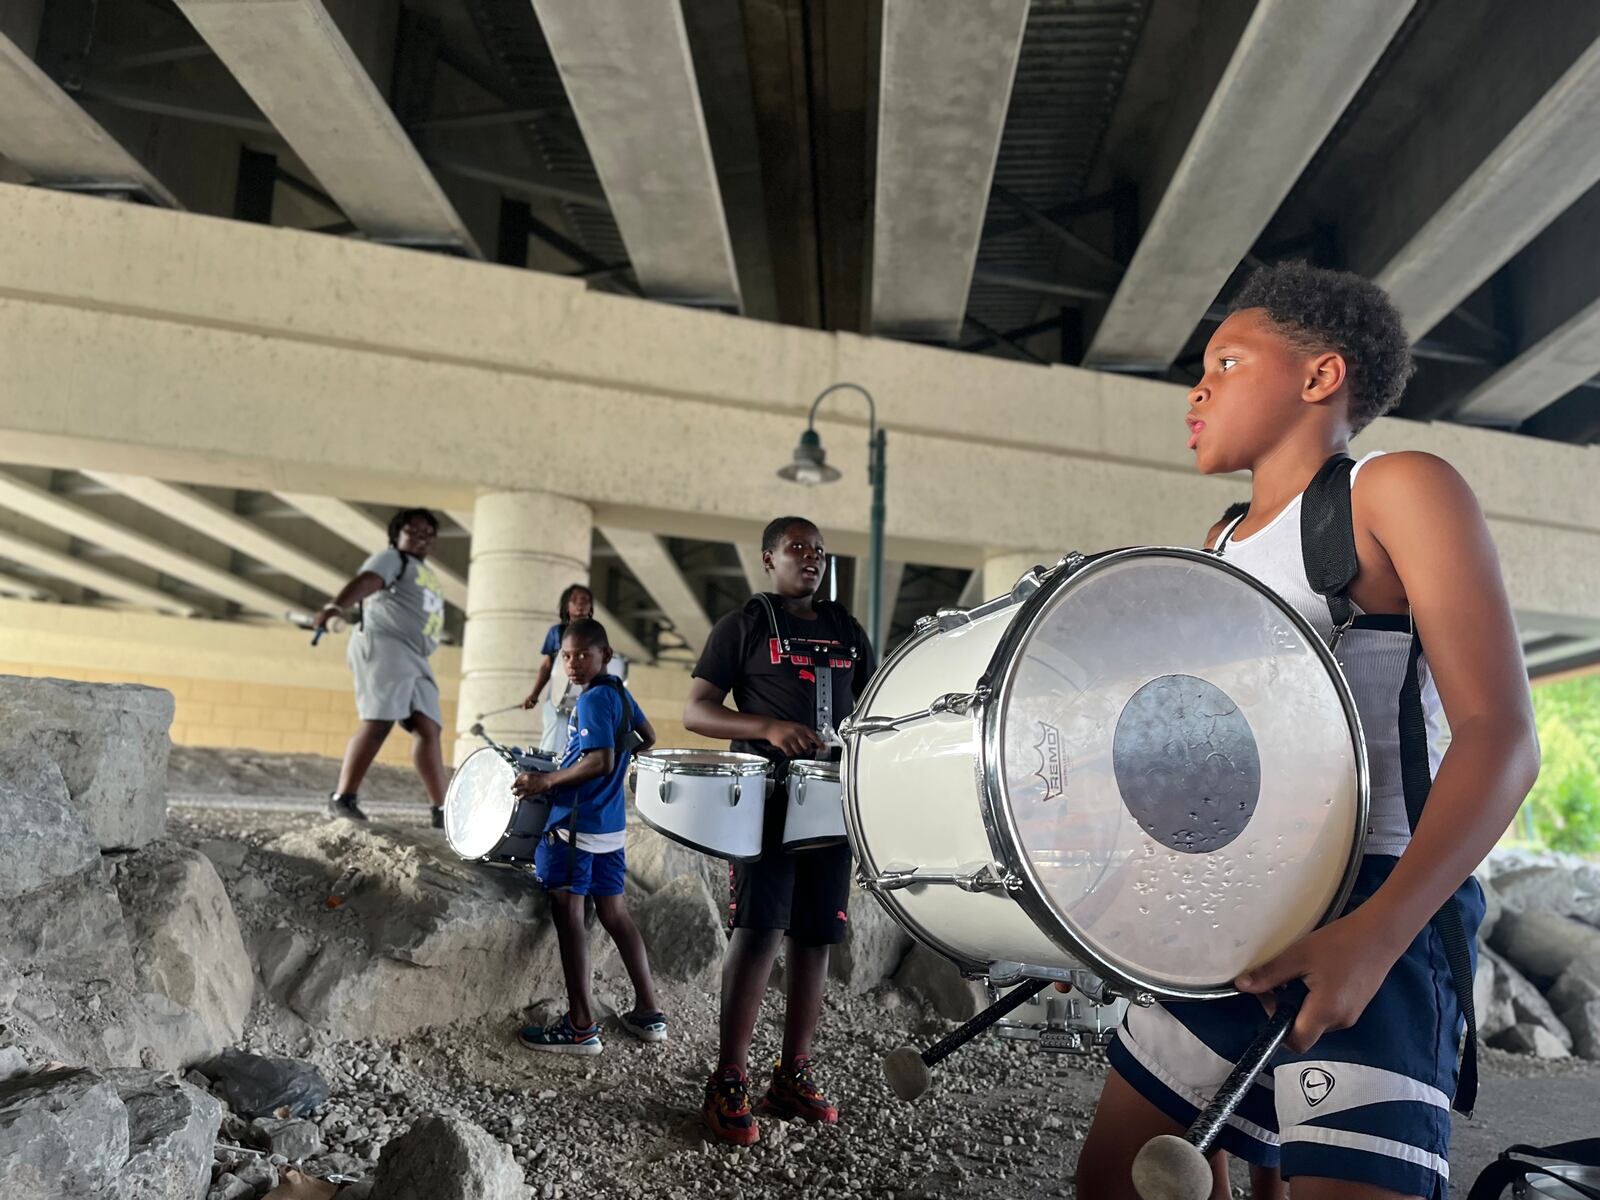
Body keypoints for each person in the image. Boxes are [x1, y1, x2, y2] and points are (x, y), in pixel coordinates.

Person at [1075, 262, 1540, 1200]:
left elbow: (1502, 735)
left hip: (1381, 895)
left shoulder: (1396, 489)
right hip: (1234, 899)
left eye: (1226, 362)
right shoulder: (1218, 540)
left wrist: (1373, 938)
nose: (1196, 389)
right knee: (1114, 1181)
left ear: (1319, 377)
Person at [683, 516, 876, 1145]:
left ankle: (792, 1073)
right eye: (797, 548)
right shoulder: (743, 626)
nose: (810, 558)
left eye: (818, 551)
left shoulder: (848, 630)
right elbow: (697, 710)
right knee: (760, 928)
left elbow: (874, 705)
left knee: (815, 938)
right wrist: (766, 728)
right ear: (769, 559)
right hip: (765, 800)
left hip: (832, 799)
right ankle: (728, 1078)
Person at [512, 617, 666, 1054]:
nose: (573, 664)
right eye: (566, 656)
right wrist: (618, 762)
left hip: (575, 827)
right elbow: (647, 737)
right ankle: (648, 1013)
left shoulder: (594, 700)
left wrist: (546, 782)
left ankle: (580, 1026)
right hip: (609, 826)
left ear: (605, 655)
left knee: (570, 919)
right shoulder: (618, 690)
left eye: (583, 654)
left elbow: (598, 761)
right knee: (615, 915)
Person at [312, 508, 451, 826]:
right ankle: (343, 797)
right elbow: (368, 581)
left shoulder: (425, 572)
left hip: (416, 656)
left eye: (428, 535)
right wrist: (336, 606)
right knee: (380, 721)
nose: (422, 539)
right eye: (414, 532)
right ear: (397, 534)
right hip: (386, 645)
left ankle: (442, 810)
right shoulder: (392, 559)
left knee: (428, 726)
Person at [522, 584, 596, 756]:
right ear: (566, 606)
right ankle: (545, 771)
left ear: (591, 607)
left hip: (585, 698)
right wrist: (534, 694)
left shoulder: (595, 633)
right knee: (553, 734)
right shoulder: (556, 632)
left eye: (585, 601)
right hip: (556, 698)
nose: (580, 604)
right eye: (575, 600)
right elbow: (548, 666)